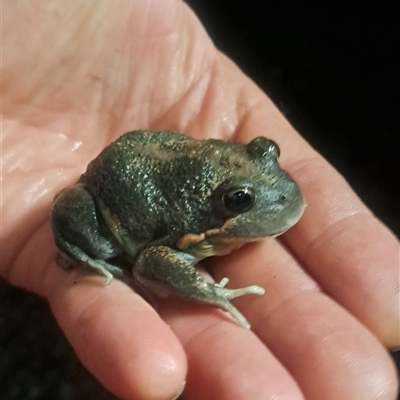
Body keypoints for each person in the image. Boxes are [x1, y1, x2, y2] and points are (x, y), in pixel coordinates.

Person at [2, 1, 398, 399]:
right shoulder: (187, 223)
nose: (282, 191)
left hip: (150, 158)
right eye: (241, 200)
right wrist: (210, 291)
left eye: (267, 152)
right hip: (106, 194)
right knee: (101, 241)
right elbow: (150, 261)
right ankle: (87, 252)